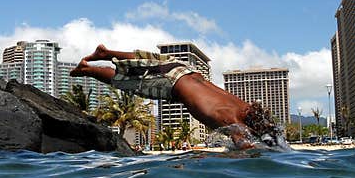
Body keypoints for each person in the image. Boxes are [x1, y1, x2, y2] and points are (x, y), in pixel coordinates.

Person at [70, 45, 280, 149]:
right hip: (173, 84)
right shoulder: (236, 124)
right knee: (129, 82)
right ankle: (86, 70)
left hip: (185, 70)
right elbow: (245, 149)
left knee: (143, 61)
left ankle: (106, 54)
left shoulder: (244, 107)